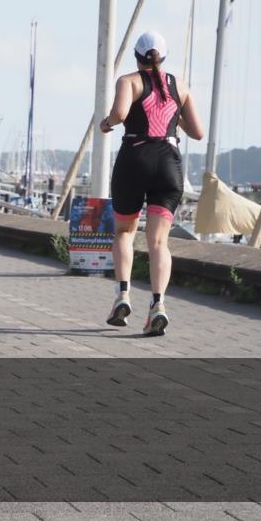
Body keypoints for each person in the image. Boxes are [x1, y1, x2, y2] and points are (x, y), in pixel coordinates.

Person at [100, 31, 203, 336]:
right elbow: (197, 132)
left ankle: (122, 295)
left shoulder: (128, 81)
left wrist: (106, 124)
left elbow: (119, 114)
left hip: (135, 158)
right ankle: (158, 305)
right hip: (169, 164)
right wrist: (174, 113)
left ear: (137, 56)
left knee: (124, 231)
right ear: (163, 57)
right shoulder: (179, 86)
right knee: (159, 242)